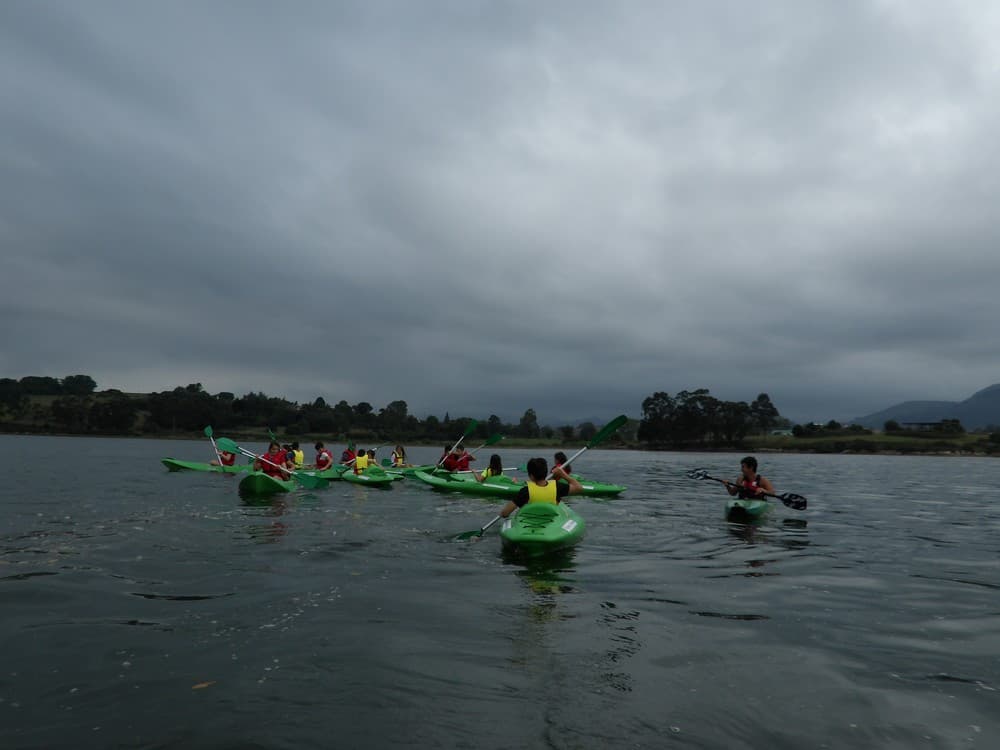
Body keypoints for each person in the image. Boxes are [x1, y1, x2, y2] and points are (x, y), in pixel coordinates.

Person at [498, 457, 582, 519]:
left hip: (530, 522)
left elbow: (505, 513)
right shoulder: (557, 486)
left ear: (531, 476)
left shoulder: (525, 491)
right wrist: (562, 474)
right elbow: (578, 488)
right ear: (545, 472)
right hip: (552, 521)